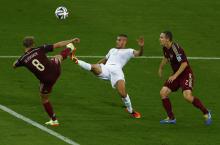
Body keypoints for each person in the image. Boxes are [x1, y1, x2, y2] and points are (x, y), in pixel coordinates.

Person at [70, 34, 144, 118]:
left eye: (119, 40)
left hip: (117, 72)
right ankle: (75, 59)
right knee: (94, 67)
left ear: (124, 41)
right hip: (106, 69)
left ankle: (131, 110)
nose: (117, 41)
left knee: (122, 93)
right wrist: (94, 66)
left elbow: (139, 53)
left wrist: (141, 47)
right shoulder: (112, 50)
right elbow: (104, 60)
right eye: (117, 39)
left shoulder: (129, 51)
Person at [13, 36, 80, 126]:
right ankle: (70, 48)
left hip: (47, 80)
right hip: (56, 70)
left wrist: (20, 61)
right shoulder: (39, 49)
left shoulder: (22, 59)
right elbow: (58, 44)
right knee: (57, 57)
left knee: (45, 99)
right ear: (33, 44)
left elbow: (14, 65)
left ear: (23, 46)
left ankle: (54, 120)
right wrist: (71, 40)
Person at [158, 31, 212, 125]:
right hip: (176, 74)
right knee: (163, 93)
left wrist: (175, 76)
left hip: (186, 74)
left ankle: (206, 112)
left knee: (187, 96)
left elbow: (184, 64)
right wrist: (161, 67)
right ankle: (171, 118)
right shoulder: (165, 48)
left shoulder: (176, 49)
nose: (160, 39)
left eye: (162, 37)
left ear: (167, 39)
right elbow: (166, 58)